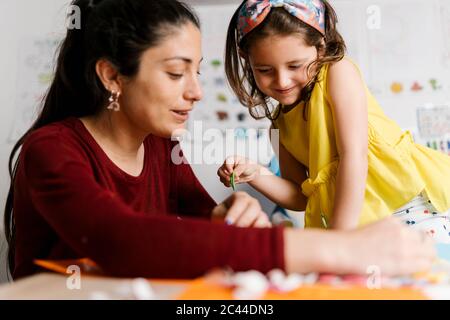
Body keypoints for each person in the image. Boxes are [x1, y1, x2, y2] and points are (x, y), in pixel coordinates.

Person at [4, 0, 435, 280]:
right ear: (113, 76)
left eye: (197, 71)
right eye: (177, 73)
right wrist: (325, 248)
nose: (196, 91)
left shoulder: (159, 146)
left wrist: (233, 209)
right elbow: (121, 239)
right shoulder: (50, 150)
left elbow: (206, 216)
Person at [219, 0, 450, 243]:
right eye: (265, 70)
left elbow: (354, 155)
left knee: (426, 273)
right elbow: (299, 196)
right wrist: (256, 173)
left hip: (407, 204)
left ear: (320, 48)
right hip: (359, 226)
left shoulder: (338, 73)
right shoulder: (279, 125)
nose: (283, 80)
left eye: (294, 66)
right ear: (247, 60)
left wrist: (339, 241)